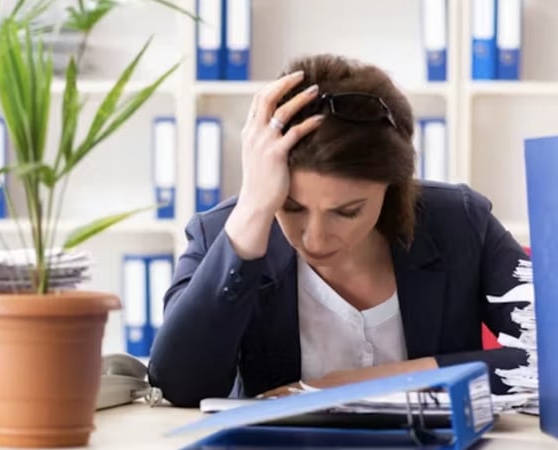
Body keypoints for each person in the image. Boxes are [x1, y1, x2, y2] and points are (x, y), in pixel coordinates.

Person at [146, 54, 530, 408]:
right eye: (292, 206)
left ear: (391, 185)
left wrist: (367, 383)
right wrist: (253, 209)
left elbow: (547, 355)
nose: (314, 238)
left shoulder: (459, 222)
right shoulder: (224, 233)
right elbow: (180, 385)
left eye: (347, 212)